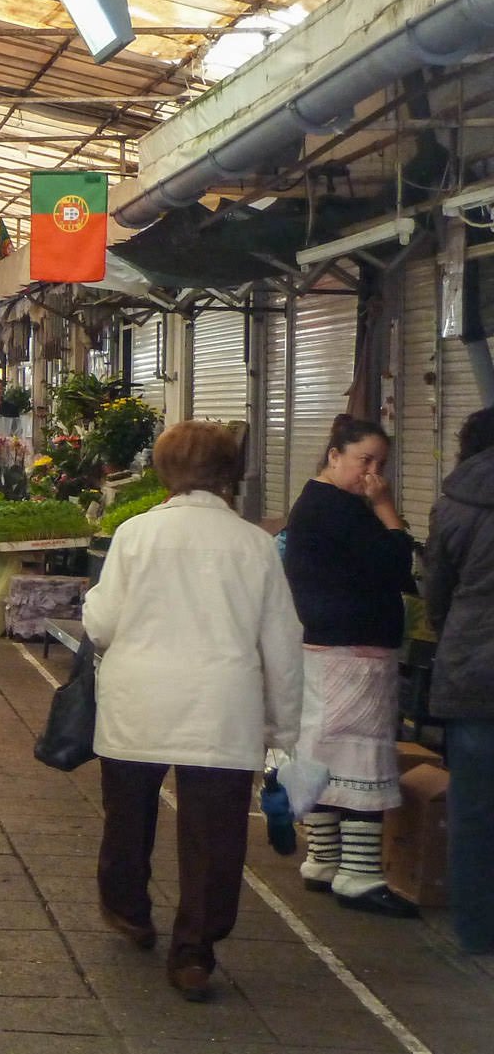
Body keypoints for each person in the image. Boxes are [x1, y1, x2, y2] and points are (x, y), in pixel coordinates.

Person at [81, 421, 303, 1002]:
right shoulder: (255, 545)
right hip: (222, 706)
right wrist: (282, 728)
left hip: (139, 700)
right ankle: (193, 954)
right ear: (230, 474)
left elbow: (100, 624)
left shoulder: (135, 534)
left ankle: (129, 911)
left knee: (127, 817)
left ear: (164, 472)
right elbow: (282, 642)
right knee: (215, 833)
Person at [281, 417, 420, 917]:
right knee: (360, 753)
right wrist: (388, 510)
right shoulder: (339, 508)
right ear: (334, 455)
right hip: (353, 651)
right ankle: (359, 875)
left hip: (324, 646)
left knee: (323, 748)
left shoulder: (318, 503)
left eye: (381, 464)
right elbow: (395, 564)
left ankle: (323, 860)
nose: (373, 473)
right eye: (365, 460)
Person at [422, 408, 494, 955]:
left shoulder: (452, 506)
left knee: (472, 807)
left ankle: (476, 930)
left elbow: (437, 594)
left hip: (471, 673)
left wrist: (454, 640)